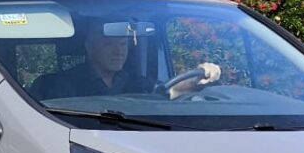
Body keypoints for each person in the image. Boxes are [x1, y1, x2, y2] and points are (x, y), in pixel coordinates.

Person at [31, 19, 218, 103]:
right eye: (109, 44)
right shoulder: (61, 84)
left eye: (123, 44)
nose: (119, 51)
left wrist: (196, 80)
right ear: (89, 46)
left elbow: (168, 93)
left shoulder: (136, 83)